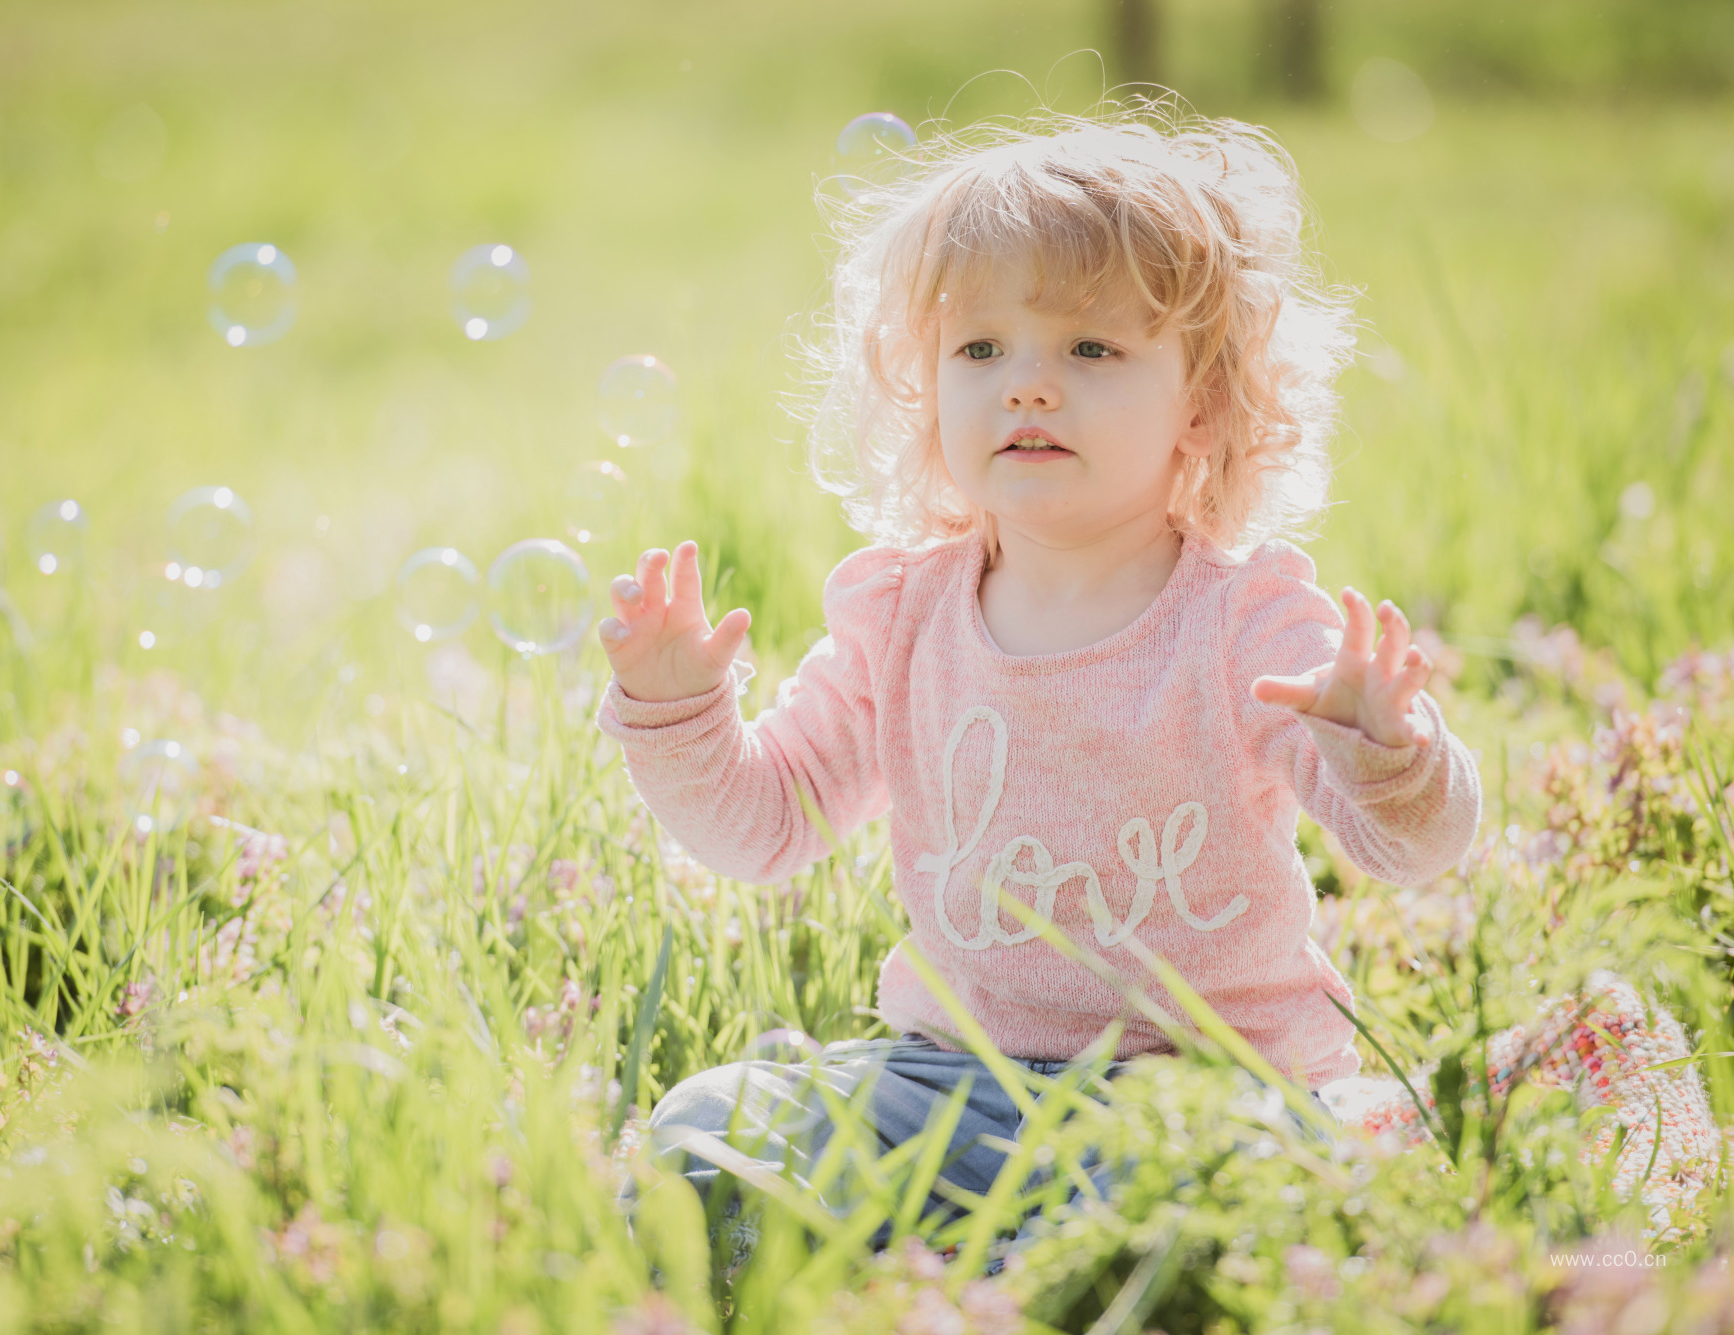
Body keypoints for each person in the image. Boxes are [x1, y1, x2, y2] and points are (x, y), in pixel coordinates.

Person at [594, 107, 1482, 1260]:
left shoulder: (1242, 620)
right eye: (978, 351)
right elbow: (764, 828)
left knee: (1177, 1204)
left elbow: (1413, 848)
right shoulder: (903, 613)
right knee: (705, 1130)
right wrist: (677, 712)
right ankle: (1015, 1259)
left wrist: (1387, 751)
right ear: (924, 391)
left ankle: (1037, 1265)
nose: (1025, 387)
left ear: (1202, 404)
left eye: (1089, 349)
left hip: (1202, 1097)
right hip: (949, 1084)